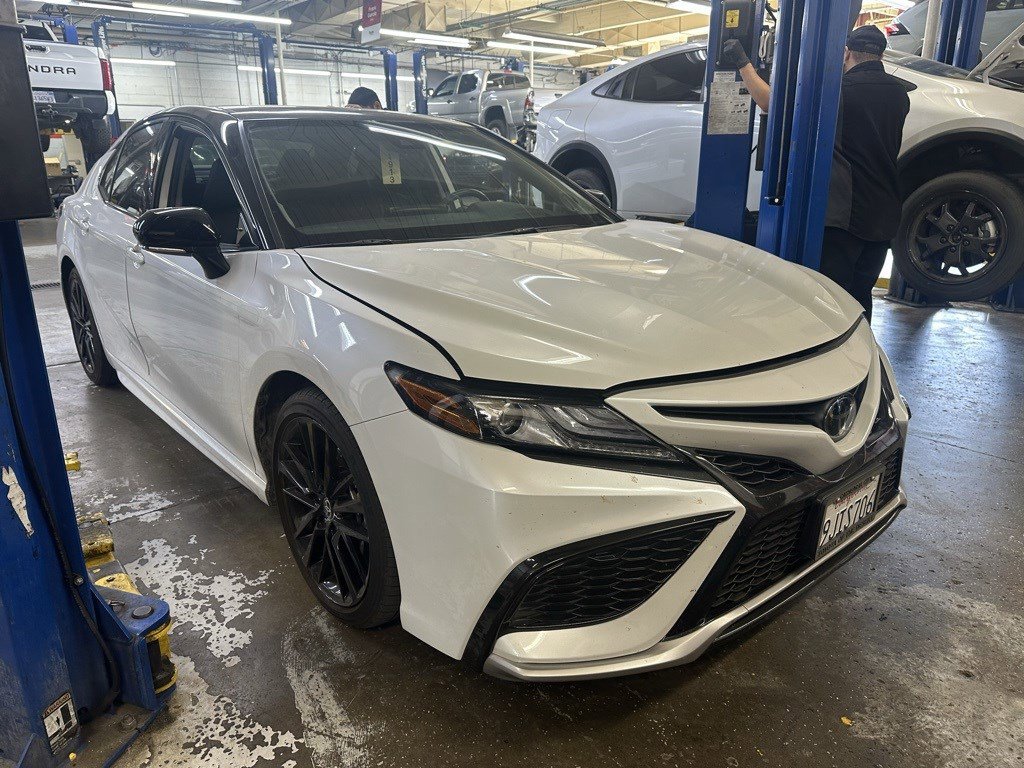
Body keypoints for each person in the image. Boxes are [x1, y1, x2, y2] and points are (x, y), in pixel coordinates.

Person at [721, 26, 911, 321]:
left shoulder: (840, 92)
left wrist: (744, 64)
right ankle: (861, 355)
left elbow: (773, 104)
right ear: (881, 54)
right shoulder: (900, 93)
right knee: (861, 297)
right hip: (884, 212)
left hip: (847, 218)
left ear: (846, 52)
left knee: (832, 301)